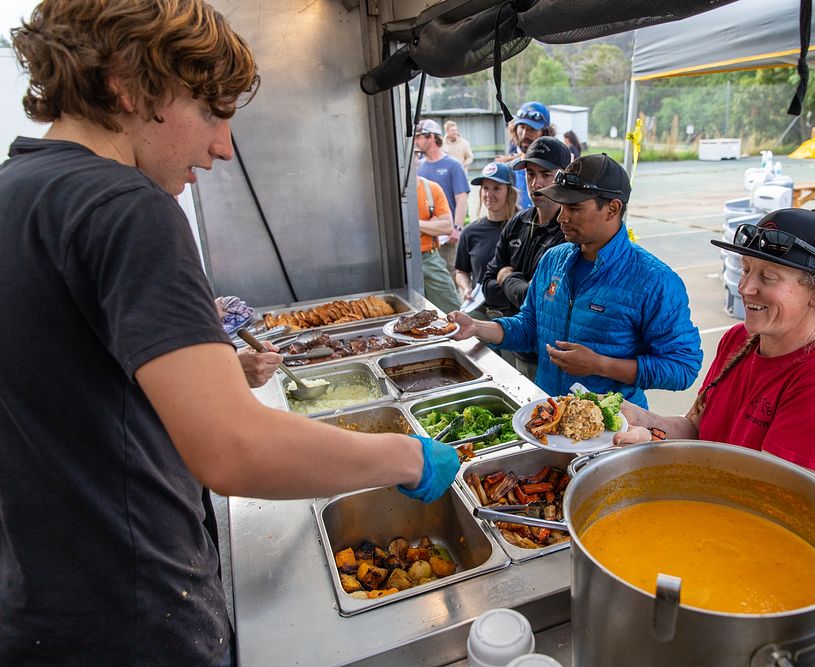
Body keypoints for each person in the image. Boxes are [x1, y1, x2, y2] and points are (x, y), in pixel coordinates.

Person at [0, 1, 459, 663]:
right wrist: (407, 456)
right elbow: (233, 450)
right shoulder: (130, 209)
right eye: (212, 113)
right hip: (139, 618)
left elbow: (68, 386)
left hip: (43, 606)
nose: (222, 147)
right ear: (131, 85)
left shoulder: (19, 192)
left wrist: (213, 372)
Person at [614, 208, 815, 490]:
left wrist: (654, 445)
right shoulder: (739, 340)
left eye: (769, 277)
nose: (746, 287)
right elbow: (698, 430)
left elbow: (766, 494)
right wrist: (644, 420)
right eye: (746, 269)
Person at [450, 154, 702, 407]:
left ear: (612, 209)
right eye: (562, 205)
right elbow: (530, 327)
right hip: (550, 414)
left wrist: (600, 365)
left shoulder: (654, 280)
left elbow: (682, 367)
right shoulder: (553, 260)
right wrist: (477, 327)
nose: (561, 218)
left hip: (612, 428)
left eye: (575, 208)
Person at [481, 136, 573, 378]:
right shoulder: (517, 222)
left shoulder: (569, 233)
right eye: (531, 174)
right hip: (511, 342)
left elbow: (541, 302)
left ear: (564, 176)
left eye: (546, 174)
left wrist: (507, 277)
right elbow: (487, 287)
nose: (536, 183)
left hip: (547, 356)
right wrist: (519, 286)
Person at [455, 161, 520, 317]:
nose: (488, 194)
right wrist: (466, 288)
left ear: (510, 192)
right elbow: (461, 271)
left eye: (496, 188)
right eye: (485, 188)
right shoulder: (470, 232)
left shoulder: (523, 228)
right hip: (480, 312)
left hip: (516, 314)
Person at [415, 118, 470, 274]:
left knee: (450, 277)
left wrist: (457, 228)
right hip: (427, 238)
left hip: (448, 236)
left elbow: (461, 199)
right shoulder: (418, 166)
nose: (416, 141)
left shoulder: (452, 165)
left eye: (419, 137)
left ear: (431, 137)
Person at [416, 168, 463, 312]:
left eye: (415, 154)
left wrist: (415, 224)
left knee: (452, 310)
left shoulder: (431, 189)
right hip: (395, 263)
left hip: (428, 257)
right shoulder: (385, 190)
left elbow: (447, 226)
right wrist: (430, 224)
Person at [495, 102, 556, 209]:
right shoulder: (508, 171)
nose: (524, 134)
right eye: (521, 127)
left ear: (546, 132)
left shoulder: (556, 170)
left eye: (532, 129)